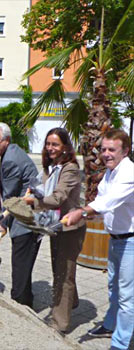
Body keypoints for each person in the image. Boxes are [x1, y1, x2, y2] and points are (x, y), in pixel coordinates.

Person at [64, 129, 133, 349]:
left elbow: (108, 202)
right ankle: (110, 325)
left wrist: (81, 212)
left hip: (131, 241)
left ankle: (120, 344)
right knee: (113, 287)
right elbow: (102, 201)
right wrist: (80, 212)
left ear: (126, 151)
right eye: (103, 149)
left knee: (127, 297)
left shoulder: (129, 173)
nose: (106, 154)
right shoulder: (111, 172)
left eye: (112, 149)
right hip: (116, 239)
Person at [22, 128, 86, 333]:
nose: (50, 148)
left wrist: (32, 202)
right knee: (59, 270)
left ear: (66, 147)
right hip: (54, 226)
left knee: (63, 274)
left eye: (55, 144)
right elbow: (41, 188)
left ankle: (60, 322)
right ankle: (70, 302)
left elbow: (58, 198)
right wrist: (32, 191)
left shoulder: (70, 170)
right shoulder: (51, 167)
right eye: (48, 143)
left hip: (70, 228)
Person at [0, 122, 39, 308]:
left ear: (7, 139)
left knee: (20, 266)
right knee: (24, 264)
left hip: (25, 218)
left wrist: (3, 221)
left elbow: (10, 197)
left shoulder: (10, 160)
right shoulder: (12, 151)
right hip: (27, 212)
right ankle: (26, 299)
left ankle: (20, 305)